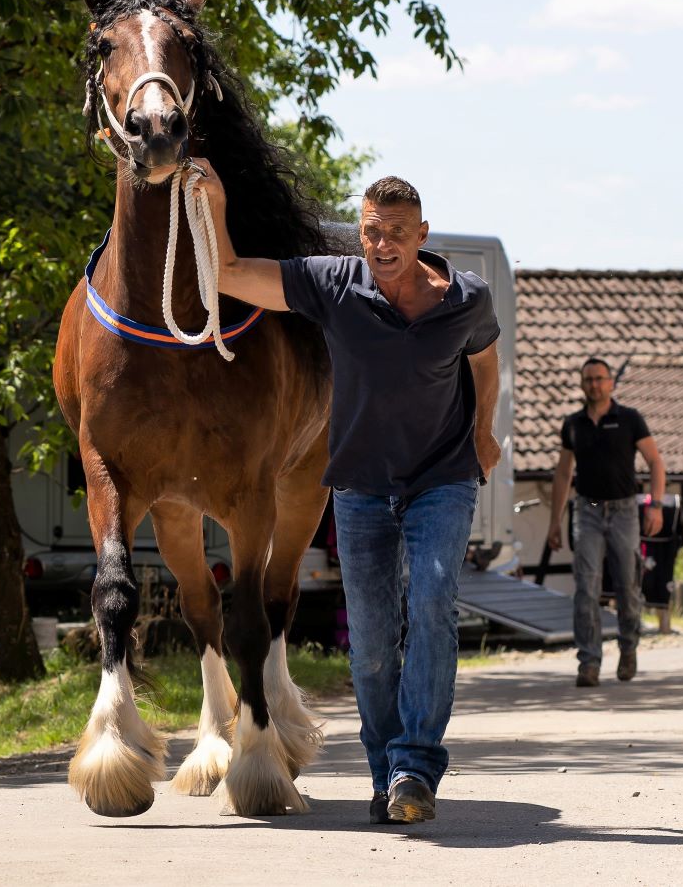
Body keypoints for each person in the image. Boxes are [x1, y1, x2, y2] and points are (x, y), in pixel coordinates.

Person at [191, 162, 501, 825]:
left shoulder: (465, 297)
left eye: (394, 232)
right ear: (359, 236)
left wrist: (484, 429)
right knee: (369, 643)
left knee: (434, 600)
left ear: (420, 234)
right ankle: (388, 770)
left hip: (440, 480)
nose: (382, 245)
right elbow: (229, 273)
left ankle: (415, 762)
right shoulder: (334, 283)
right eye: (370, 232)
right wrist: (215, 201)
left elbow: (484, 356)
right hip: (360, 486)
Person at [547, 357, 666, 688]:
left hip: (625, 509)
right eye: (588, 379)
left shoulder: (629, 419)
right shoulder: (573, 424)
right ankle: (589, 661)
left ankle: (628, 648)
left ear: (611, 383)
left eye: (600, 378)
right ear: (582, 384)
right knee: (586, 586)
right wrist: (555, 522)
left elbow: (656, 462)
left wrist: (655, 505)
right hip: (588, 508)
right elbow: (563, 473)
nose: (594, 384)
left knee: (628, 586)